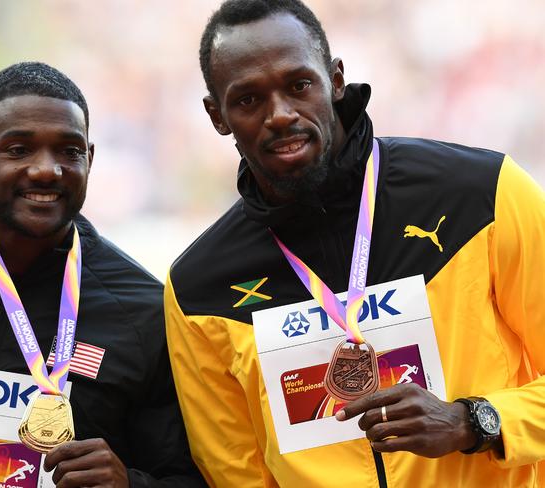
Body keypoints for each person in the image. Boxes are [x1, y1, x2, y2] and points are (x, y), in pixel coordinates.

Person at [164, 1, 545, 487]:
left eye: (299, 85)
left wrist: (474, 422)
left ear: (336, 79)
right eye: (248, 100)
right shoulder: (199, 287)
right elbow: (237, 475)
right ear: (217, 115)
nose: (280, 115)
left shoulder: (483, 195)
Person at [0, 62, 205, 488]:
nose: (46, 170)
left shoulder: (144, 310)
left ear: (90, 159)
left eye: (69, 151)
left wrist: (132, 484)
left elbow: (192, 476)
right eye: (18, 149)